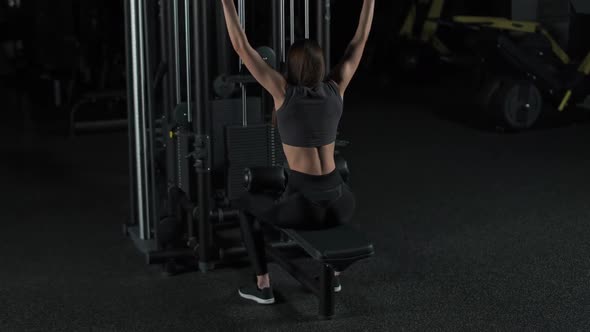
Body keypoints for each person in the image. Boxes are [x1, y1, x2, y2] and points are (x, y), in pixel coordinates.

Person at [220, 0, 375, 305]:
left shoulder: (283, 92)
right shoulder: (337, 87)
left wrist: (226, 2)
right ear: (320, 65)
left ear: (289, 68)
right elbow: (360, 39)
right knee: (332, 190)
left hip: (304, 206)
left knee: (242, 203)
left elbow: (242, 47)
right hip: (342, 202)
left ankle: (262, 284)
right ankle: (334, 274)